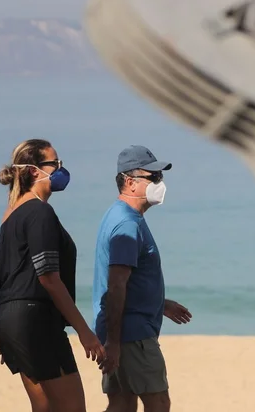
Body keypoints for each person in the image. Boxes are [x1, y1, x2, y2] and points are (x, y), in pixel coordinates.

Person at [0, 138, 106, 412]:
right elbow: (48, 278)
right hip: (35, 320)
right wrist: (84, 331)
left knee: (45, 408)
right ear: (33, 171)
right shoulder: (40, 212)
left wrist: (1, 323)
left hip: (12, 319)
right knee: (72, 408)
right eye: (55, 163)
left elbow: (6, 275)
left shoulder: (10, 214)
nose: (61, 169)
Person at [93, 145, 192, 412]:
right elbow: (115, 285)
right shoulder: (127, 223)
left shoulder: (120, 216)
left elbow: (126, 280)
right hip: (131, 334)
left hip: (124, 329)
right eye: (154, 177)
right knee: (158, 402)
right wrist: (113, 342)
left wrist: (160, 303)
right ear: (130, 182)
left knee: (122, 404)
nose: (160, 183)